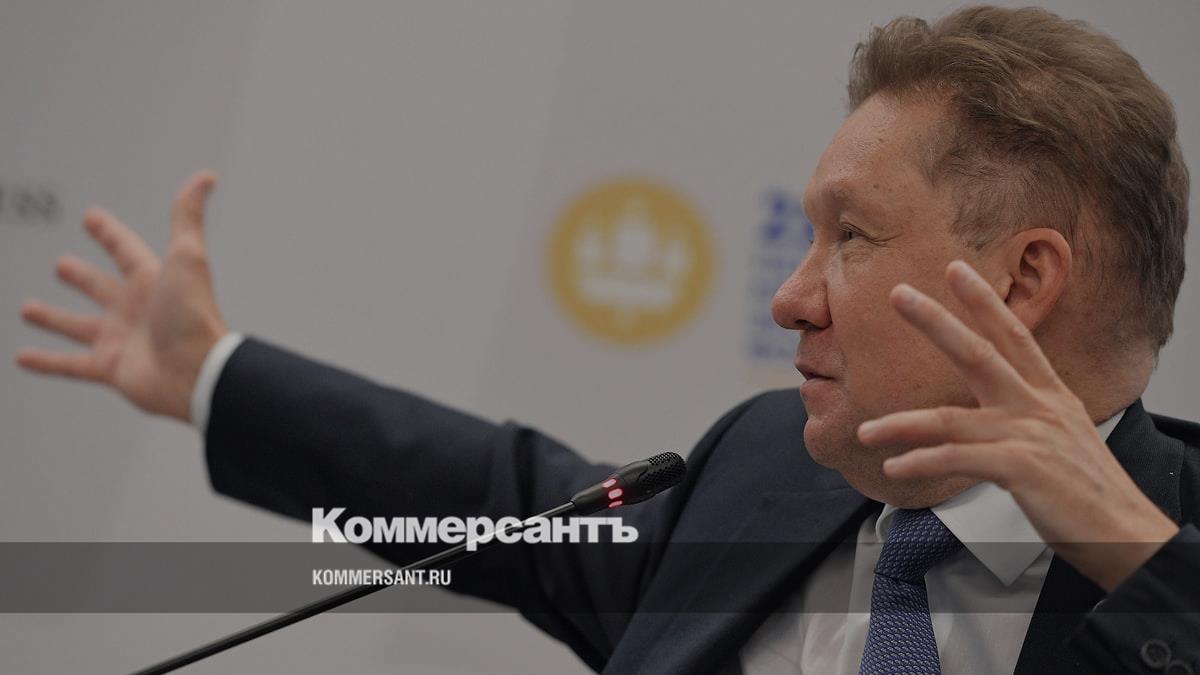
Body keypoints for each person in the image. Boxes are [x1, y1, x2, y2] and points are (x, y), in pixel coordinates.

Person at [15, 6, 1199, 674]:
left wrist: (1145, 568)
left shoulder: (1176, 561)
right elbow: (505, 504)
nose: (791, 300)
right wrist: (212, 374)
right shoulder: (761, 470)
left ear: (1022, 279)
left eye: (851, 236)